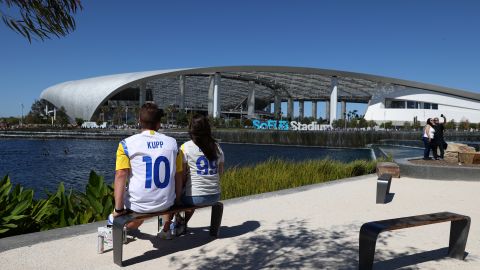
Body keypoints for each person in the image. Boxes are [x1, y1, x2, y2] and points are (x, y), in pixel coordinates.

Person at [112, 102, 182, 235]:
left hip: (140, 205)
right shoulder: (173, 143)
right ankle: (166, 230)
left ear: (139, 121)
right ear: (158, 123)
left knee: (126, 197)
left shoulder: (126, 144)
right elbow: (178, 175)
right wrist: (177, 201)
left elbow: (120, 175)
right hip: (167, 203)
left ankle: (114, 223)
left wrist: (119, 210)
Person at [176, 114, 224, 232]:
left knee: (176, 197)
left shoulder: (185, 147)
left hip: (195, 197)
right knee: (191, 193)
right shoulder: (217, 147)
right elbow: (221, 173)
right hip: (215, 195)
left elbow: (181, 178)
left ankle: (175, 225)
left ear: (191, 130)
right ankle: (183, 223)